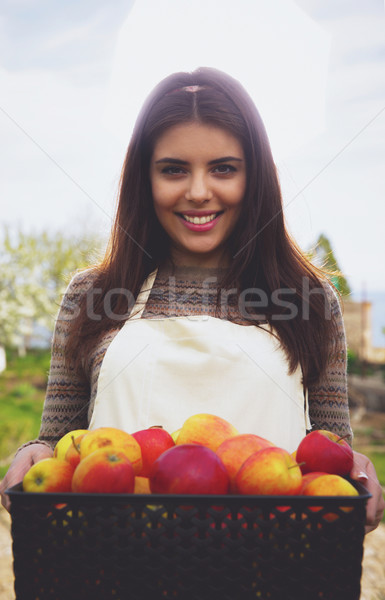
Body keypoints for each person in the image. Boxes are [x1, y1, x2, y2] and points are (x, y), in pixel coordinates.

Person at [1, 67, 383, 532]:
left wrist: (356, 471)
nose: (199, 192)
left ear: (254, 176)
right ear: (145, 180)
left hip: (275, 562)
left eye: (223, 168)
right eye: (173, 170)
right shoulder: (91, 295)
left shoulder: (310, 299)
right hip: (115, 561)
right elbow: (60, 446)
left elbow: (330, 455)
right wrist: (32, 453)